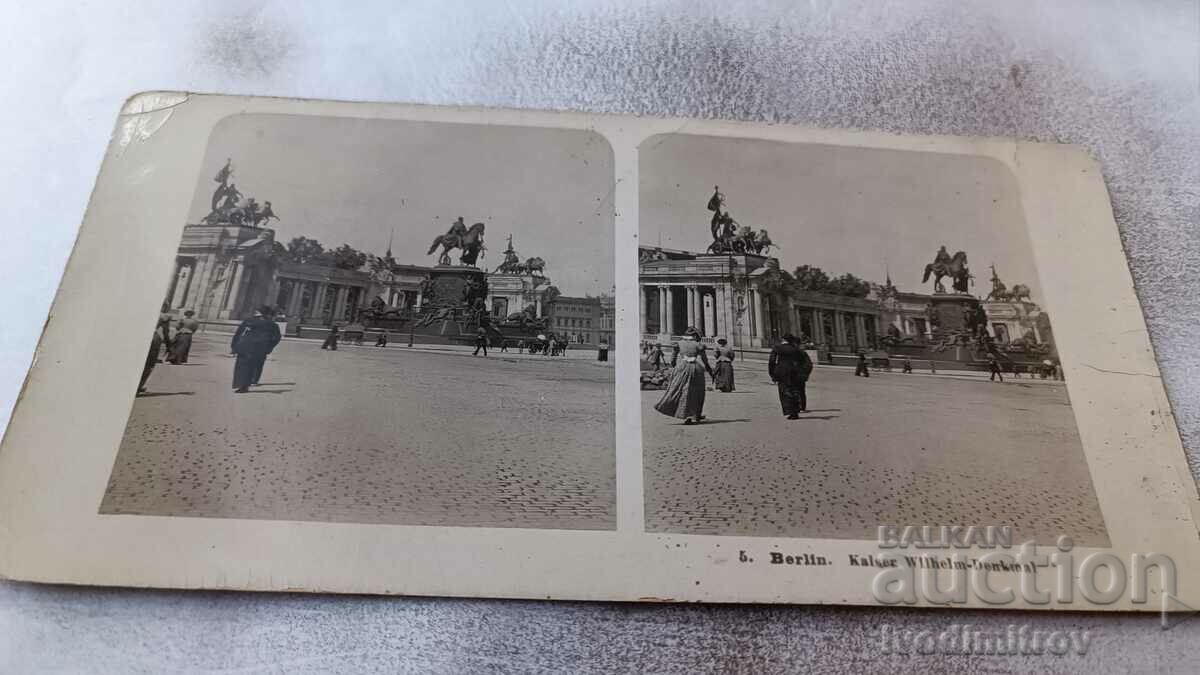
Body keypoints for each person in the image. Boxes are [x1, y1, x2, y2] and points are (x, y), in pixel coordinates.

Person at [653, 327, 713, 425]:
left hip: (682, 367)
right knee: (696, 392)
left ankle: (683, 412)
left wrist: (674, 367)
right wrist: (710, 371)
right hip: (695, 369)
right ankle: (694, 413)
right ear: (694, 336)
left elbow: (673, 359)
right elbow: (705, 361)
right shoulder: (698, 345)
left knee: (679, 390)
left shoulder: (679, 343)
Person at [230, 306, 281, 393]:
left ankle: (241, 385)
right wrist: (269, 347)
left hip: (245, 346)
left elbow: (238, 334)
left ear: (258, 312)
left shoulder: (248, 321)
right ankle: (248, 384)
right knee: (253, 366)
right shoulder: (272, 324)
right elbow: (277, 338)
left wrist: (234, 347)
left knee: (241, 366)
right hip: (260, 348)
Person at [769, 334, 814, 419]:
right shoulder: (796, 349)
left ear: (783, 339)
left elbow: (772, 361)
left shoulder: (777, 348)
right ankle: (795, 411)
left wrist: (772, 374)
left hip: (782, 373)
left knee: (784, 392)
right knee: (794, 391)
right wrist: (802, 373)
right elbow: (804, 361)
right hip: (794, 372)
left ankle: (790, 411)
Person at [137, 325, 165, 395]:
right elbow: (155, 351)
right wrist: (153, 362)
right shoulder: (157, 337)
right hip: (148, 358)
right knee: (145, 372)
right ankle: (138, 387)